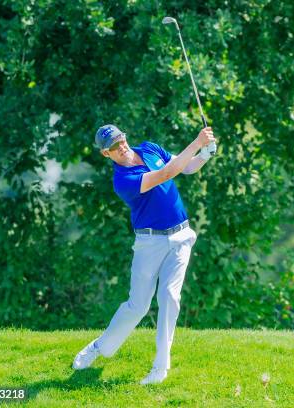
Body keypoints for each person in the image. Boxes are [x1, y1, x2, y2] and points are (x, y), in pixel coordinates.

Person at [72, 124, 216, 385]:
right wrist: (196, 142)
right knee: (138, 306)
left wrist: (205, 154)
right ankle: (99, 347)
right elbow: (166, 174)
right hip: (150, 243)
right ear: (106, 154)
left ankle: (160, 368)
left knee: (170, 297)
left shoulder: (149, 148)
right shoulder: (122, 181)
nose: (121, 147)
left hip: (182, 236)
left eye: (121, 140)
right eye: (114, 147)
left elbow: (186, 166)